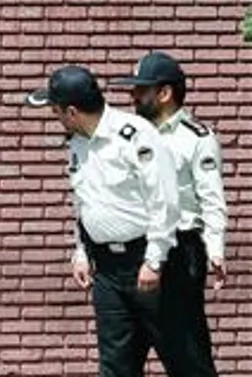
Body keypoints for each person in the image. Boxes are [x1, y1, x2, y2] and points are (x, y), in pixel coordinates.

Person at [25, 64, 181, 377]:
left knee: (183, 360)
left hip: (149, 264)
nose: (55, 118)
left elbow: (164, 200)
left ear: (71, 111)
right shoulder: (78, 143)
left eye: (55, 111)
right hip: (107, 271)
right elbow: (84, 201)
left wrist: (154, 260)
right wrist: (81, 252)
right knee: (115, 366)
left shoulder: (135, 135)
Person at [110, 51, 224, 377]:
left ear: (164, 93)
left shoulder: (196, 139)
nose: (133, 96)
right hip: (132, 253)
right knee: (122, 361)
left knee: (187, 357)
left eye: (140, 90)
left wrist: (215, 249)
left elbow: (211, 200)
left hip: (178, 253)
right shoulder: (128, 137)